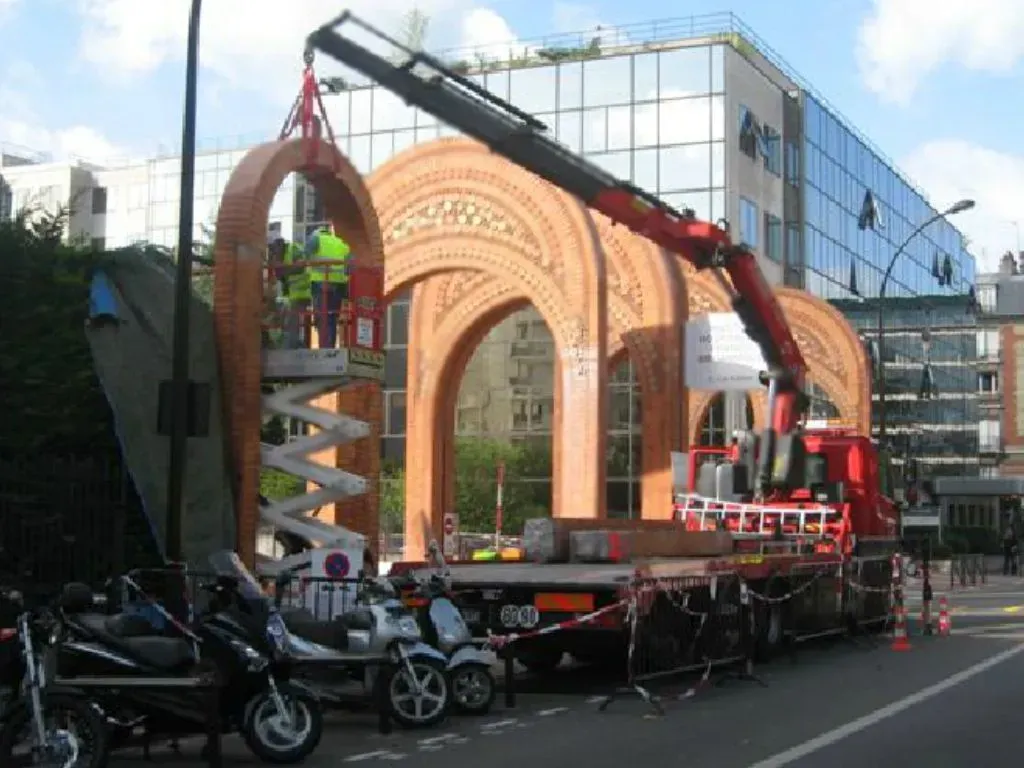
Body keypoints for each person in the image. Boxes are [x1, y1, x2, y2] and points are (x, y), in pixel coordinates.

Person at [304, 224, 351, 349]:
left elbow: (306, 256)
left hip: (320, 284)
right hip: (338, 286)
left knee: (322, 318)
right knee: (332, 318)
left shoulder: (316, 238)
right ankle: (329, 347)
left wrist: (319, 268)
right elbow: (350, 266)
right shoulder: (341, 243)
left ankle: (324, 348)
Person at [273, 236, 312, 348]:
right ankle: (294, 343)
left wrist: (286, 270)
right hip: (291, 293)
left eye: (278, 249)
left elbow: (301, 265)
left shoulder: (294, 249)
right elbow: (279, 274)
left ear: (282, 246)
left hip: (302, 290)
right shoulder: (278, 256)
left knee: (294, 319)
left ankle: (295, 345)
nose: (276, 252)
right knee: (291, 319)